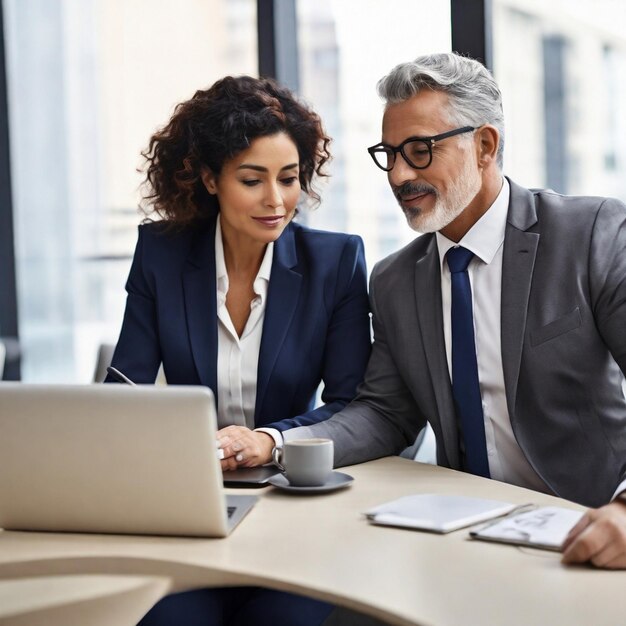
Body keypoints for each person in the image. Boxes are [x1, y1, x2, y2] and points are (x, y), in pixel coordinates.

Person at [277, 52, 626, 569]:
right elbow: (386, 413)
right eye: (389, 153)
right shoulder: (395, 279)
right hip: (462, 537)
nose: (398, 175)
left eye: (419, 151)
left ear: (484, 145)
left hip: (587, 531)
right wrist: (278, 443)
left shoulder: (591, 233)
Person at [106, 75, 371, 625]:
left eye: (290, 178)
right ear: (209, 179)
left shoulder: (336, 263)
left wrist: (268, 441)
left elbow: (353, 403)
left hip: (293, 509)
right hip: (190, 511)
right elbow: (122, 396)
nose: (276, 201)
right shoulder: (162, 255)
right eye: (253, 180)